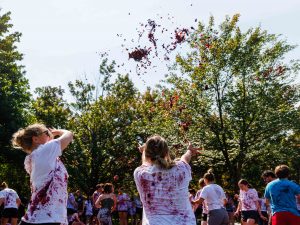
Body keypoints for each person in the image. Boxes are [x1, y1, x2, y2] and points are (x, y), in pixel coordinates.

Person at [11, 123, 73, 225]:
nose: (50, 134)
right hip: (46, 219)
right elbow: (69, 135)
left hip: (39, 217)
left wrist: (48, 137)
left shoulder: (35, 157)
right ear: (35, 139)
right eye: (46, 132)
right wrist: (59, 131)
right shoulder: (43, 152)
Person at [134, 135, 200, 225]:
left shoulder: (140, 173)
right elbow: (185, 158)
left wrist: (144, 151)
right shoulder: (181, 169)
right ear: (166, 152)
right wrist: (189, 150)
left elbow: (145, 164)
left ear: (146, 153)